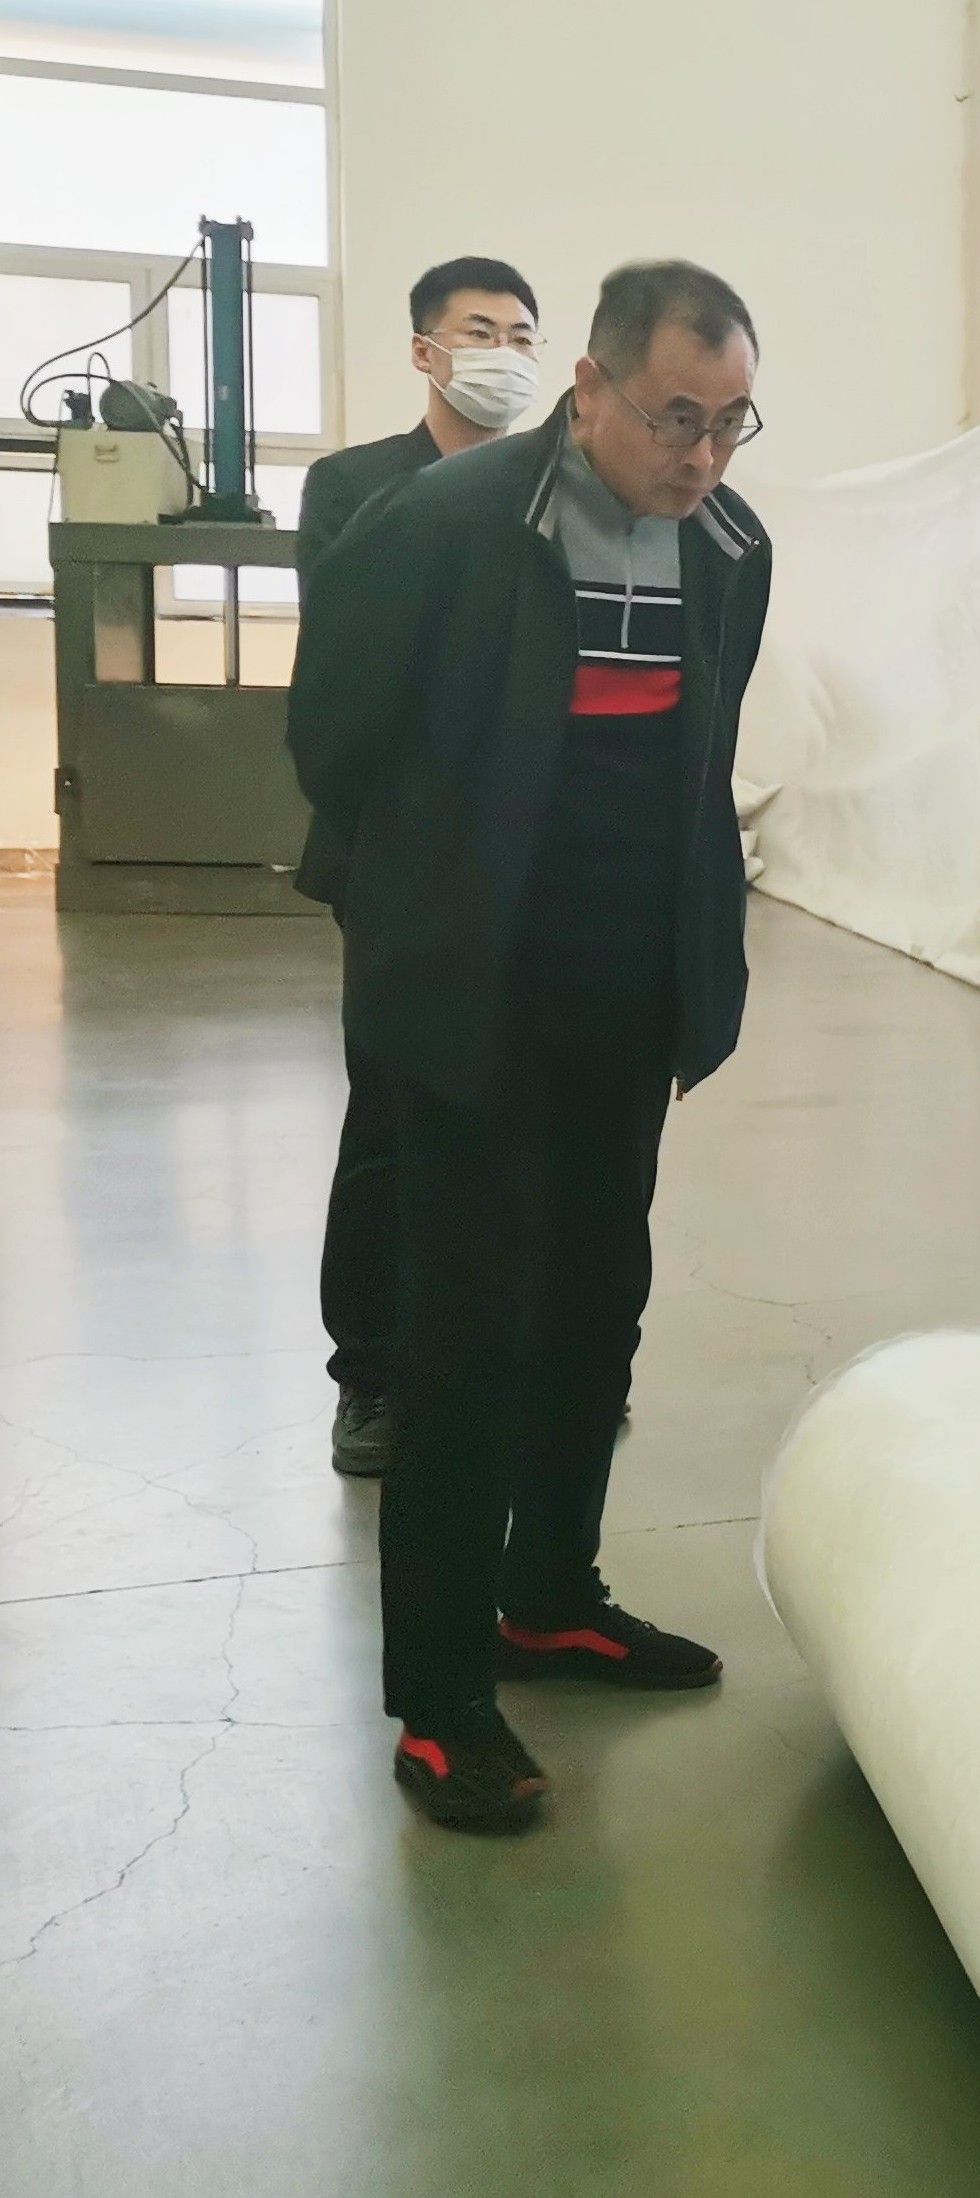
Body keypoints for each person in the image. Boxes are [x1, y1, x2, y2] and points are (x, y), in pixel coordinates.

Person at [288, 261, 774, 1834]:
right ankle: (440, 1700)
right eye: (676, 418)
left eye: (731, 422)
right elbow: (333, 742)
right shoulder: (438, 529)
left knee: (592, 1305)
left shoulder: (730, 547)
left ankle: (550, 1596)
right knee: (464, 1341)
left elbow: (698, 761)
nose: (702, 453)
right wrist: (427, 919)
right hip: (473, 1001)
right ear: (592, 388)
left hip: (624, 1003)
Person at [294, 254, 545, 1480]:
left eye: (521, 334)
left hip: (530, 857)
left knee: (528, 1115)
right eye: (478, 330)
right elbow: (350, 686)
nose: (503, 352)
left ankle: (518, 1360)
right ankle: (375, 1374)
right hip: (398, 861)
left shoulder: (560, 489)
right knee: (394, 1113)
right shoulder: (356, 487)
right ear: (424, 350)